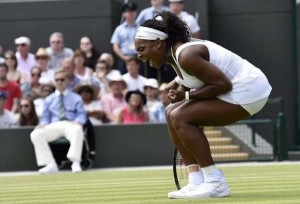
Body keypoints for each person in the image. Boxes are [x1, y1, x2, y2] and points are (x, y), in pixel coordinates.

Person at [134, 11, 272, 199]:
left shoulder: (186, 55)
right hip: (241, 88)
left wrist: (187, 95)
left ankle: (216, 182)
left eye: (141, 49)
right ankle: (196, 181)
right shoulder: (176, 54)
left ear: (158, 43)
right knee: (170, 112)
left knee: (179, 116)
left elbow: (223, 85)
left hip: (250, 91)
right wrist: (179, 81)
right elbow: (197, 73)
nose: (139, 56)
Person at [30, 68, 87, 174]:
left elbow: (81, 115)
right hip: (54, 125)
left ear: (67, 80)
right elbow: (45, 118)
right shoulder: (48, 100)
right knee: (36, 134)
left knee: (77, 129)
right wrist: (42, 124)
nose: (60, 82)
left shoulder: (76, 98)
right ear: (54, 81)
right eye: (57, 80)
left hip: (70, 124)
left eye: (62, 79)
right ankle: (50, 164)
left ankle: (75, 162)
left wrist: (78, 121)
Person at [110, 2, 139, 74]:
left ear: (135, 13)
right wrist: (123, 57)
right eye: (128, 11)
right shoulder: (119, 29)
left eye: (132, 11)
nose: (130, 13)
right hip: (124, 58)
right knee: (122, 80)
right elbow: (115, 46)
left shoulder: (141, 27)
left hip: (138, 58)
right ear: (123, 14)